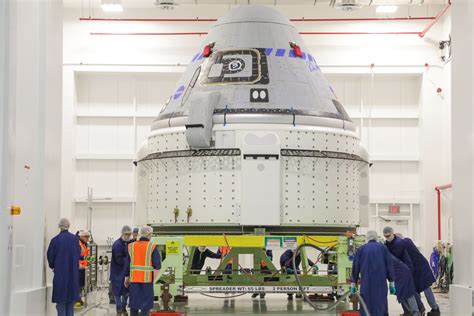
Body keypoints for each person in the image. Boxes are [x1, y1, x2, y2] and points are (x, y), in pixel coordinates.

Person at [389, 230, 440, 316]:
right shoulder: (406, 242)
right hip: (416, 269)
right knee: (417, 289)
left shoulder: (404, 242)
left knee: (425, 288)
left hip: (420, 268)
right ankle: (421, 309)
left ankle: (434, 308)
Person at [351, 230, 395, 316]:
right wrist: (392, 283)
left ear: (366, 238)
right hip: (380, 284)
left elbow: (355, 267)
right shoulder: (383, 248)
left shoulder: (361, 249)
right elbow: (389, 266)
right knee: (380, 304)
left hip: (366, 283)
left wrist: (353, 282)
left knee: (366, 304)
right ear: (376, 237)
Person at [47, 218, 81, 316]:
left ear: (59, 226)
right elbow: (78, 254)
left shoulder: (55, 240)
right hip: (73, 275)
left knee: (61, 302)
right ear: (68, 226)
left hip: (60, 275)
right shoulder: (75, 240)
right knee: (70, 302)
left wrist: (53, 266)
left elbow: (50, 257)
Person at [124, 226, 161, 316]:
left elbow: (126, 264)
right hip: (146, 281)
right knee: (145, 305)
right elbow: (157, 265)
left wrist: (126, 278)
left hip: (134, 280)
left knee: (134, 304)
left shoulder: (131, 246)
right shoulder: (152, 247)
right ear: (149, 234)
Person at [111, 226, 133, 316]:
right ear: (122, 234)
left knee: (126, 292)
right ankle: (119, 309)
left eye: (129, 234)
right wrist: (130, 259)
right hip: (117, 272)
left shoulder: (130, 243)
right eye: (126, 234)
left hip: (126, 272)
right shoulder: (117, 244)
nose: (128, 236)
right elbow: (119, 260)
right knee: (117, 293)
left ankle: (123, 308)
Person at [76, 230, 92, 308]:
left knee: (82, 285)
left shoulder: (84, 244)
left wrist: (89, 259)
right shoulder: (77, 244)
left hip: (83, 268)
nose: (87, 239)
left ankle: (79, 299)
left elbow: (85, 255)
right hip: (78, 268)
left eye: (88, 237)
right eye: (86, 237)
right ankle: (77, 300)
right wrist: (86, 259)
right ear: (81, 236)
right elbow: (79, 256)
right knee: (78, 285)